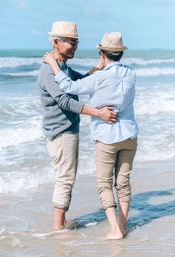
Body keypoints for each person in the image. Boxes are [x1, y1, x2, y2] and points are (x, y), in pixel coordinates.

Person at [43, 31, 138, 239]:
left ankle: (114, 230)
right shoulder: (130, 73)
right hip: (130, 135)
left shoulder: (99, 78)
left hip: (107, 136)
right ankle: (122, 226)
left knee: (104, 183)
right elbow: (88, 80)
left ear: (102, 54)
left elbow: (69, 87)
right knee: (123, 183)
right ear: (120, 54)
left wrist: (52, 64)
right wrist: (99, 66)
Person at [37, 22, 118, 231]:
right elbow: (66, 101)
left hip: (68, 129)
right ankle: (58, 228)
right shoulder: (48, 72)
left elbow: (79, 83)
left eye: (77, 42)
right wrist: (99, 112)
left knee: (67, 176)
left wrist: (97, 68)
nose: (75, 46)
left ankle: (62, 222)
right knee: (65, 177)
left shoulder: (63, 67)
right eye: (72, 42)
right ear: (57, 42)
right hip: (61, 132)